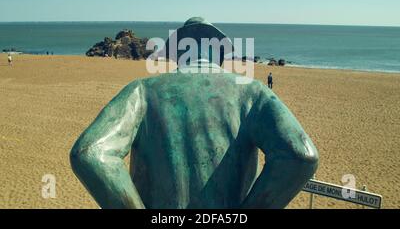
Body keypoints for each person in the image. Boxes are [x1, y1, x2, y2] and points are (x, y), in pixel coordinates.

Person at [70, 17, 318, 209]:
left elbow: (90, 154)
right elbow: (300, 156)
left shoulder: (142, 91)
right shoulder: (252, 92)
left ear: (178, 52)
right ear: (220, 52)